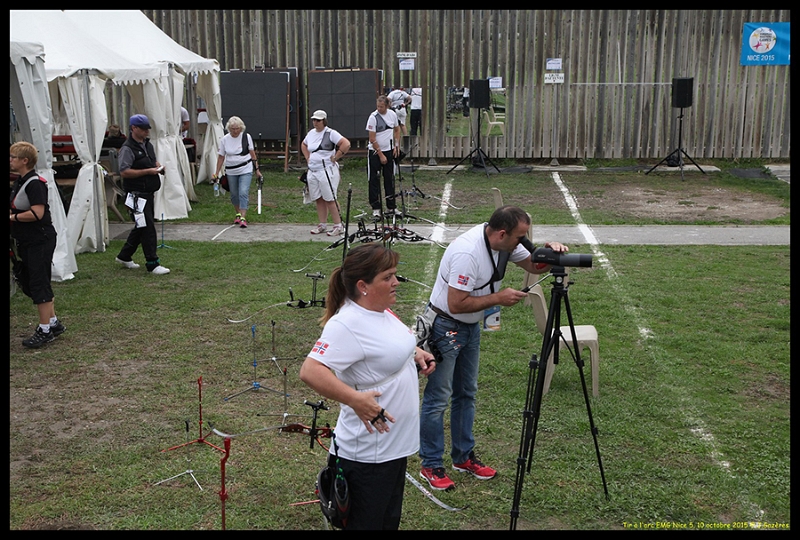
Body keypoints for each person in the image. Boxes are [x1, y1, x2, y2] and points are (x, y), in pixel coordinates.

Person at [418, 205, 569, 490]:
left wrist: (551, 253)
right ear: (502, 233)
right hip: (446, 326)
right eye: (521, 237)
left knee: (466, 393)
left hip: (470, 326)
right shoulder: (467, 253)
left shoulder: (504, 243)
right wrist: (498, 298)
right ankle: (431, 464)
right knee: (438, 398)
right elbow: (455, 304)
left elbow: (534, 265)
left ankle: (463, 457)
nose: (525, 242)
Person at [299, 243, 436, 530]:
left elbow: (386, 343)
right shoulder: (346, 324)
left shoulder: (381, 310)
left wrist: (414, 353)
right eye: (387, 277)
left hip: (393, 448)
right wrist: (355, 399)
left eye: (394, 274)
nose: (396, 282)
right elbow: (310, 370)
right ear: (363, 286)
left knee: (387, 522)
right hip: (368, 456)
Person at [10, 141, 67, 349]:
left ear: (25, 160)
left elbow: (37, 213)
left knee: (38, 282)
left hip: (39, 239)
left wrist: (12, 218)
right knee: (35, 279)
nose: (10, 161)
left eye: (13, 157)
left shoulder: (35, 184)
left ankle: (44, 330)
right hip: (28, 239)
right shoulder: (21, 181)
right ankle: (53, 322)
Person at [115, 114, 170, 275]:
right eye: (144, 129)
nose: (147, 132)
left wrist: (158, 167)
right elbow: (124, 172)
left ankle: (124, 256)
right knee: (147, 228)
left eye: (147, 129)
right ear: (134, 128)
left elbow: (152, 161)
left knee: (142, 225)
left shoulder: (147, 144)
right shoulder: (127, 149)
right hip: (136, 195)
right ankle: (152, 263)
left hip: (148, 193)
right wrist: (148, 171)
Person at [301, 110, 351, 236]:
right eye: (314, 120)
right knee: (318, 198)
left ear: (324, 121)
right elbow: (304, 144)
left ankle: (338, 225)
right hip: (313, 170)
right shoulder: (311, 133)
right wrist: (308, 158)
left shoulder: (331, 133)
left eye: (318, 120)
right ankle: (322, 224)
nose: (315, 122)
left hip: (326, 170)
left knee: (330, 198)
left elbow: (346, 144)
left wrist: (336, 156)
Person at [214, 116, 262, 228]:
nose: (235, 131)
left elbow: (253, 155)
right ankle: (238, 213)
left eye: (237, 129)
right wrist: (216, 172)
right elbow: (221, 157)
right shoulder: (224, 139)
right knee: (234, 194)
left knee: (243, 192)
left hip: (245, 168)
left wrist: (257, 170)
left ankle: (243, 217)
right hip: (231, 170)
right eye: (233, 129)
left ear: (241, 128)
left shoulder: (246, 137)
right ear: (229, 129)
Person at [366, 95, 402, 218]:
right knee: (374, 180)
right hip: (375, 152)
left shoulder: (392, 115)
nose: (379, 109)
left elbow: (397, 130)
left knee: (389, 179)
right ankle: (376, 208)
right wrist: (380, 154)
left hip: (389, 150)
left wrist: (396, 146)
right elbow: (372, 138)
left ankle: (391, 207)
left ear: (387, 106)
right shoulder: (373, 117)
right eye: (378, 106)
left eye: (381, 107)